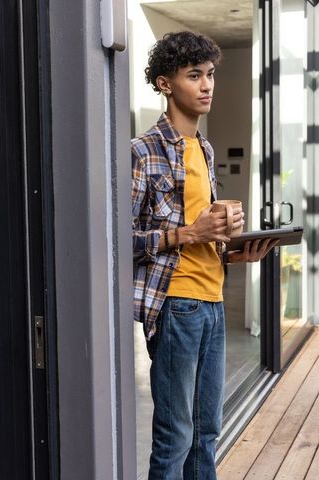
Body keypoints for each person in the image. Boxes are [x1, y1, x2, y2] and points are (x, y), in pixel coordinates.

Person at [132, 31, 277, 480]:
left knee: (207, 432)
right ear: (165, 84)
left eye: (210, 74)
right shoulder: (143, 152)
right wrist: (190, 232)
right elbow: (120, 241)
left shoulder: (204, 149)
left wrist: (234, 251)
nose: (207, 84)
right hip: (176, 307)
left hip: (212, 303)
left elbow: (199, 243)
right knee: (176, 436)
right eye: (194, 75)